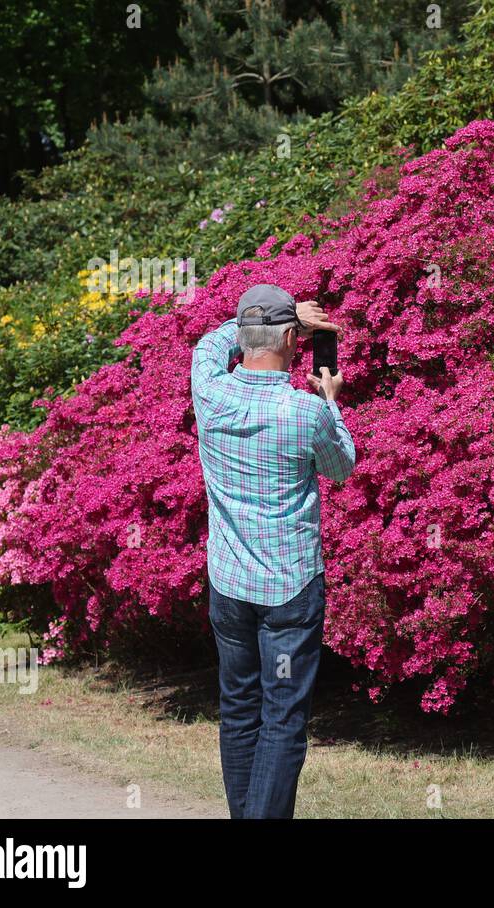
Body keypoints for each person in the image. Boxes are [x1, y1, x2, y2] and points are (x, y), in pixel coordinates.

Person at [191, 283, 356, 819]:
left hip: (229, 586)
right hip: (289, 589)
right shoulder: (306, 412)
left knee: (239, 710)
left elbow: (209, 347)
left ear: (242, 337)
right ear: (292, 339)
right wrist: (332, 401)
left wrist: (251, 324)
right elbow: (341, 467)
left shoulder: (210, 390)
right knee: (283, 716)